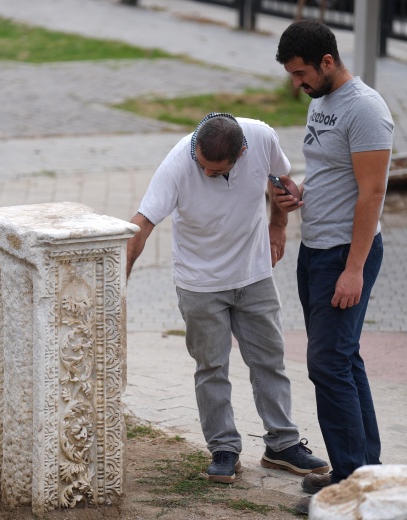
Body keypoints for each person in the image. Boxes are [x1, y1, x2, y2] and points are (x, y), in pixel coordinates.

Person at [126, 112, 329, 484]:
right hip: (199, 282)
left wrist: (278, 225)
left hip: (253, 274)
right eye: (201, 166)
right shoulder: (177, 164)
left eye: (215, 171)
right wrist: (117, 283)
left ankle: (281, 445)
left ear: (240, 154)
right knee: (212, 367)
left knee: (269, 360)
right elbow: (142, 224)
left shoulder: (262, 138)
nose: (205, 174)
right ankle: (224, 449)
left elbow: (280, 181)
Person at [272, 20, 395, 514]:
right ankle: (365, 470)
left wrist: (354, 268)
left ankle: (349, 488)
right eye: (291, 76)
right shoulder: (322, 103)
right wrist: (301, 192)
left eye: (301, 73)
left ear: (327, 62)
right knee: (344, 359)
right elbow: (331, 169)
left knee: (327, 363)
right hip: (315, 250)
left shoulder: (365, 110)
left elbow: (373, 191)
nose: (296, 85)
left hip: (346, 255)